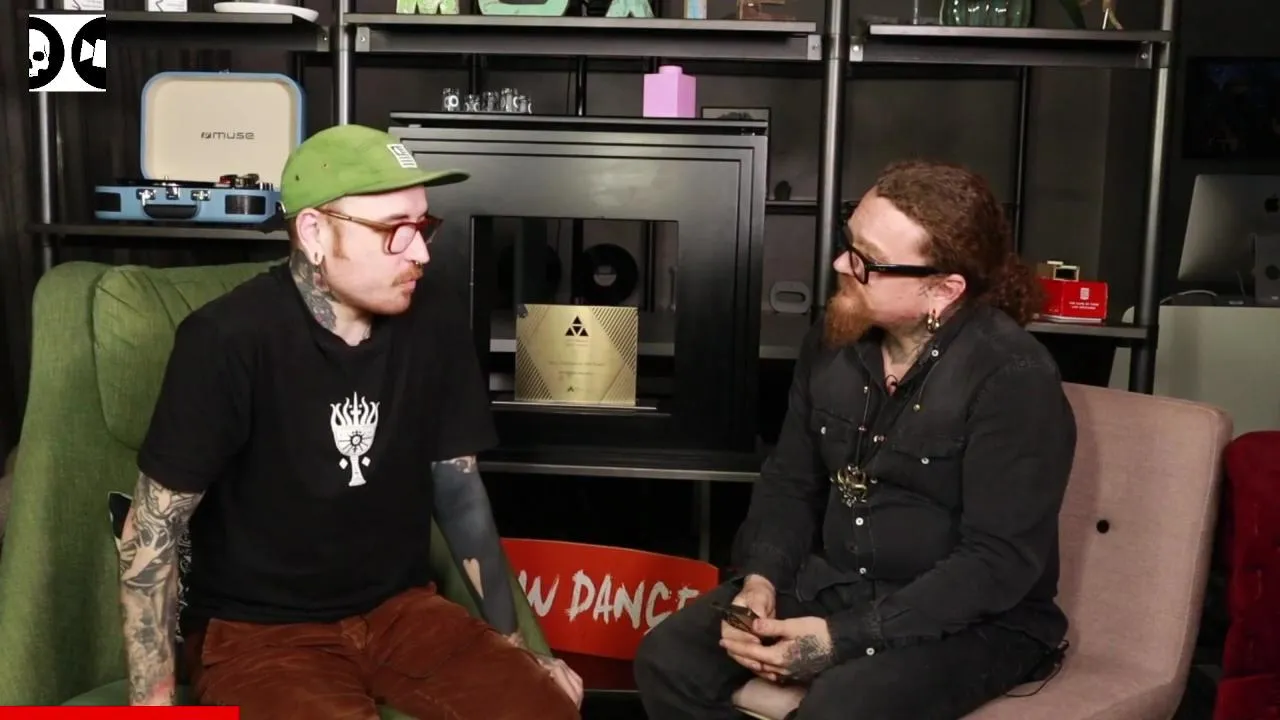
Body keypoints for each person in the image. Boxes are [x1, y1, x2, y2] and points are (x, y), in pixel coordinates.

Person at [115, 124, 584, 719]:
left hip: (403, 613)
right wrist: (150, 707)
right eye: (394, 230)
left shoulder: (434, 318)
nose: (421, 253)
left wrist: (515, 647)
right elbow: (152, 535)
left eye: (423, 226)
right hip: (262, 634)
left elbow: (459, 492)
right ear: (314, 231)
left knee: (546, 708)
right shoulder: (226, 340)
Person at [634, 160, 1078, 720]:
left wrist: (840, 640)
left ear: (942, 289)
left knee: (841, 707)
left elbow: (997, 563)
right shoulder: (832, 341)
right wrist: (761, 581)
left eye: (867, 261)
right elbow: (790, 483)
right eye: (849, 244)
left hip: (974, 617)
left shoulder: (1012, 377)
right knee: (670, 658)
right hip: (840, 584)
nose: (841, 264)